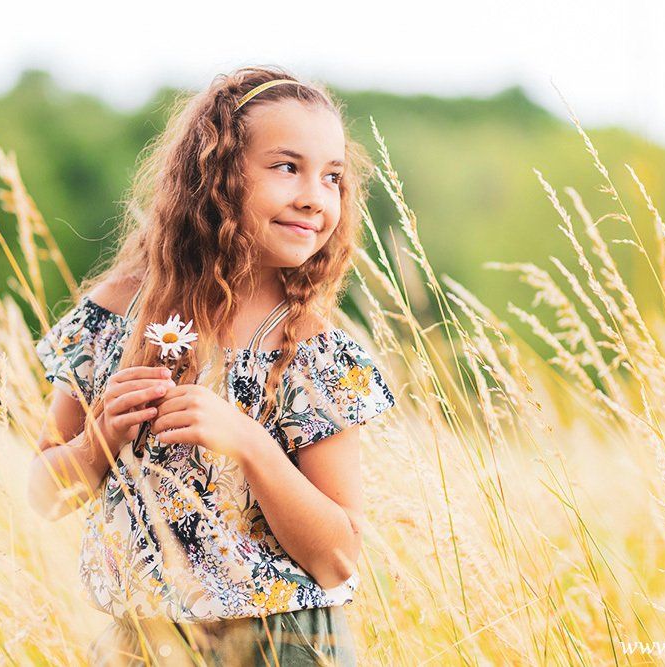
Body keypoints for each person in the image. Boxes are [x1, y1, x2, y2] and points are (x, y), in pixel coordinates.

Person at [27, 66, 397, 666]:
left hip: (286, 642)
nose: (314, 195)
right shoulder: (115, 317)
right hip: (144, 642)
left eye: (332, 177)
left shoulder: (312, 350)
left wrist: (250, 443)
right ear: (216, 177)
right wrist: (100, 439)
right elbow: (44, 497)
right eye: (287, 167)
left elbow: (338, 559)